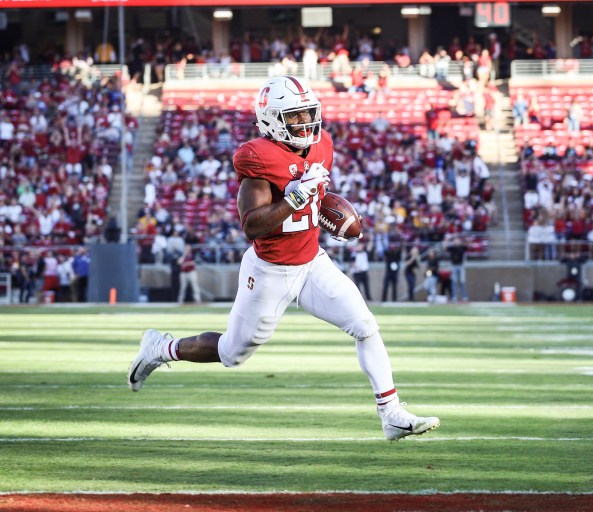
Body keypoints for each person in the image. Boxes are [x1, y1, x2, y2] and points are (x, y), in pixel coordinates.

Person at [127, 76, 439, 441]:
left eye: (308, 112)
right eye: (295, 116)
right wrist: (291, 200)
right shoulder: (258, 159)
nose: (306, 122)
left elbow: (316, 198)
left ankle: (391, 414)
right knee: (232, 353)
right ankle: (160, 348)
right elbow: (252, 225)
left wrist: (330, 215)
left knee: (364, 324)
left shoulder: (322, 144)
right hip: (270, 271)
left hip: (311, 262)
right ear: (273, 120)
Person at [445, 235, 468, 302]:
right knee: (454, 282)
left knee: (462, 281)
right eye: (455, 240)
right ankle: (454, 296)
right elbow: (445, 248)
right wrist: (446, 241)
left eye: (458, 240)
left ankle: (464, 296)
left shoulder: (462, 247)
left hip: (461, 265)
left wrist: (466, 240)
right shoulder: (452, 248)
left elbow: (468, 246)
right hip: (454, 266)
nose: (456, 241)